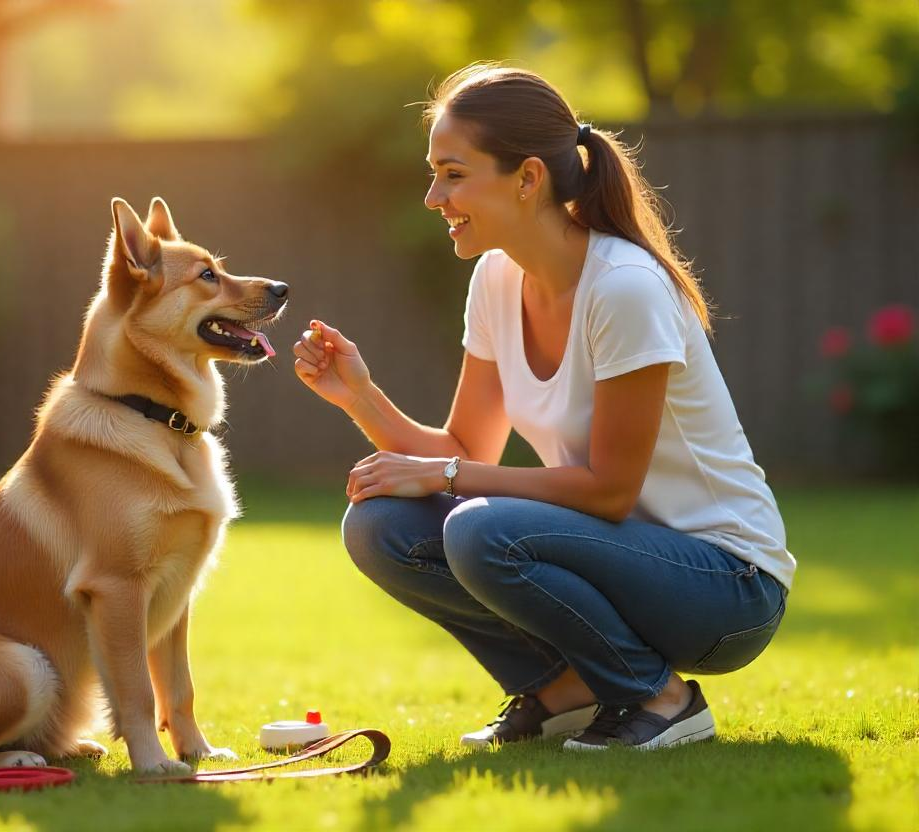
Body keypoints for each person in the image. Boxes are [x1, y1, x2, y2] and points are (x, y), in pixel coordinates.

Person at [291, 63, 793, 751]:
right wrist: (360, 397)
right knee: (379, 524)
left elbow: (609, 491)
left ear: (527, 179)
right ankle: (568, 690)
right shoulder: (497, 278)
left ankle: (661, 699)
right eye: (434, 174)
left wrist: (445, 481)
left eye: (454, 173)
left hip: (726, 587)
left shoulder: (624, 289)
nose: (434, 196)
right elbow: (468, 451)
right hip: (618, 559)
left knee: (477, 530)